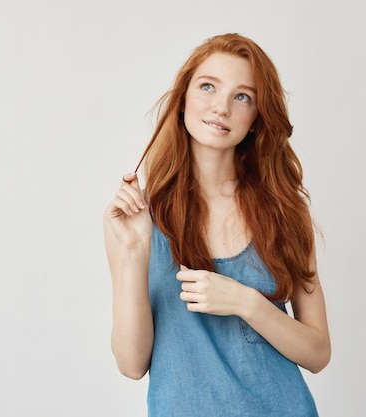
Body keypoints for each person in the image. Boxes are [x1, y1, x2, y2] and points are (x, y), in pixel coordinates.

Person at [104, 33, 330, 417]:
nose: (221, 107)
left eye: (242, 96)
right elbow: (131, 363)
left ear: (257, 119)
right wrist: (134, 251)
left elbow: (318, 352)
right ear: (183, 99)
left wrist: (246, 302)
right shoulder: (135, 219)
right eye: (208, 86)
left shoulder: (285, 213)